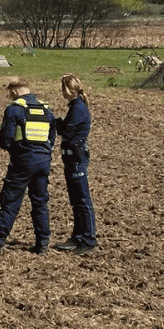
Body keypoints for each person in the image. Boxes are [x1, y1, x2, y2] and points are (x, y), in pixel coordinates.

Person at [0, 79, 55, 253]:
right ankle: (42, 243)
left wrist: (14, 150)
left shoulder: (14, 109)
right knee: (40, 203)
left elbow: (5, 139)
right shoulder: (46, 110)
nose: (10, 96)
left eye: (10, 93)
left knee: (10, 201)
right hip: (43, 162)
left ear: (15, 91)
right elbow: (52, 137)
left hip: (22, 162)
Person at [54, 73, 98, 254]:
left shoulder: (77, 108)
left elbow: (67, 132)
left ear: (69, 89)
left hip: (76, 159)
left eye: (63, 87)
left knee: (82, 200)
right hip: (72, 158)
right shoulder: (76, 106)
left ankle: (88, 239)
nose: (61, 91)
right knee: (76, 200)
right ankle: (78, 236)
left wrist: (56, 123)